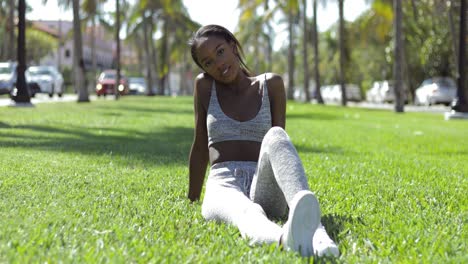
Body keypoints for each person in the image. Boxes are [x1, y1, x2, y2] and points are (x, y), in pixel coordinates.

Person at [187, 24, 339, 258]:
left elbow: (278, 150)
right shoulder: (205, 86)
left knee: (277, 136)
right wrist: (192, 199)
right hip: (223, 184)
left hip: (264, 183)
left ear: (232, 46)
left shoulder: (272, 85)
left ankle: (316, 231)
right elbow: (199, 146)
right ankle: (285, 240)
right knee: (246, 211)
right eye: (208, 62)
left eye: (220, 51)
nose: (218, 63)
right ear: (204, 69)